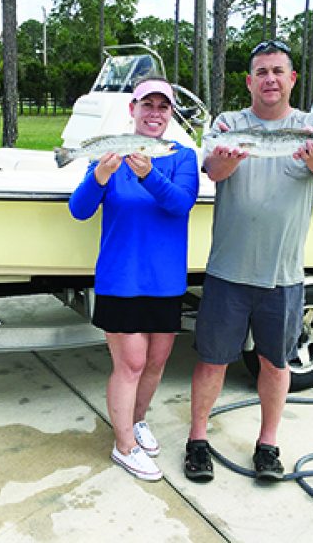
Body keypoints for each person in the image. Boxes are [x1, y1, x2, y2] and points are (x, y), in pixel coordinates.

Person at [184, 40, 313, 483]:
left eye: (278, 71)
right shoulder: (228, 123)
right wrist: (228, 160)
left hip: (285, 276)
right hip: (227, 273)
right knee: (212, 360)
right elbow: (213, 169)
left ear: (291, 79)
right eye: (262, 72)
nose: (270, 79)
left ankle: (268, 445)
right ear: (250, 81)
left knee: (276, 363)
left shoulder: (312, 125)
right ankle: (198, 439)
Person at [69, 76, 199, 481]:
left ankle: (137, 420)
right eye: (148, 105)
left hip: (166, 281)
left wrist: (148, 175)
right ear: (133, 110)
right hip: (120, 278)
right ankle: (124, 445)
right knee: (131, 363)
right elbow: (79, 209)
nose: (155, 113)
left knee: (157, 362)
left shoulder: (182, 156)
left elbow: (180, 204)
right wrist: (100, 177)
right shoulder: (110, 153)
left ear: (171, 113)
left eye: (163, 106)